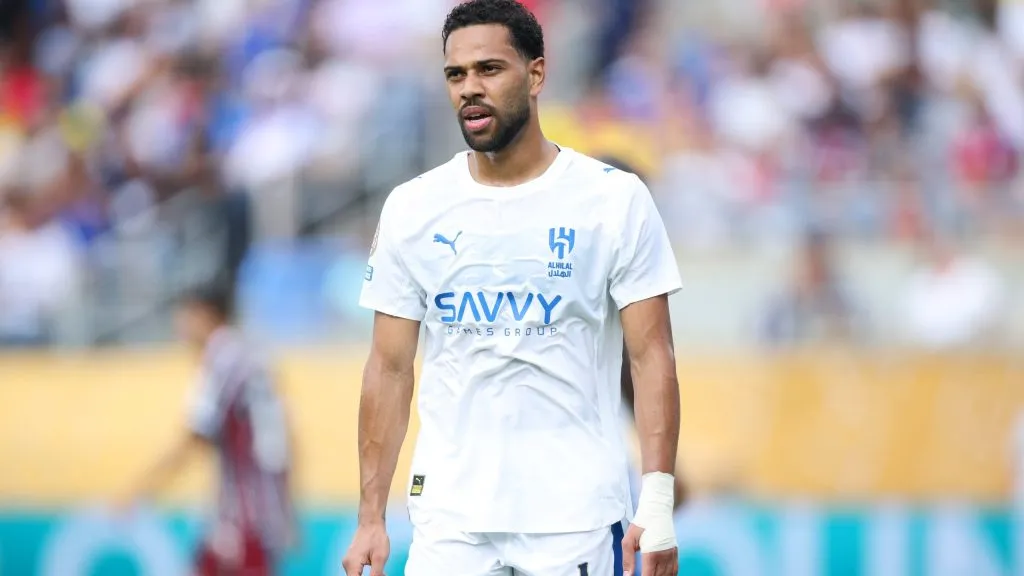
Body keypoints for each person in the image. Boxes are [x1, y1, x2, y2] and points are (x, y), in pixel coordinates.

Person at [343, 1, 683, 575]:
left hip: (571, 520)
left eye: (489, 69)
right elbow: (388, 368)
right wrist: (371, 516)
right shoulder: (413, 208)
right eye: (456, 75)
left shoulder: (613, 200)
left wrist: (658, 503)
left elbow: (653, 356)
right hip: (449, 522)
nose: (470, 88)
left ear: (537, 74)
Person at [118, 285, 295, 576]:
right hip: (267, 514)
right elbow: (286, 436)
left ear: (205, 315)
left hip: (238, 519)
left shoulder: (221, 361)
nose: (180, 327)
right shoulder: (255, 358)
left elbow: (193, 437)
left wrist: (139, 491)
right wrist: (288, 509)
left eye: (185, 316)